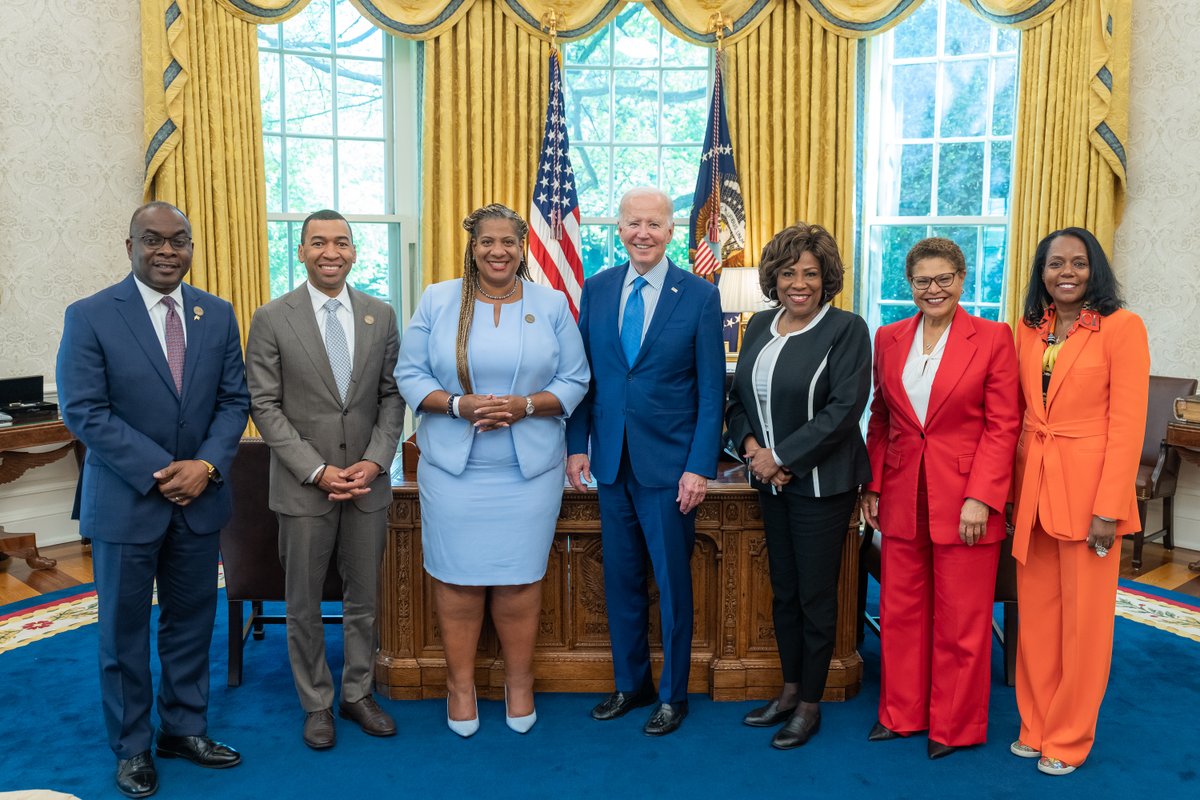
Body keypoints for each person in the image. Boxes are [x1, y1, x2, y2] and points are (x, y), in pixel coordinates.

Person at [56, 202, 249, 798]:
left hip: (200, 500)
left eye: (179, 240)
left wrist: (205, 466)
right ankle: (133, 745)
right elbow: (84, 410)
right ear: (130, 246)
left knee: (192, 622)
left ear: (191, 247)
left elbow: (233, 401)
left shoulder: (216, 313)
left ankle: (183, 730)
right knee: (123, 633)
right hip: (127, 501)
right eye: (153, 239)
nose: (167, 250)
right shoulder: (90, 315)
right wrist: (165, 471)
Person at [395, 203, 589, 737]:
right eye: (487, 241)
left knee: (519, 580)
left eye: (508, 241)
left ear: (522, 247)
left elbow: (576, 379)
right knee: (457, 580)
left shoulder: (550, 304)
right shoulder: (439, 300)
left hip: (529, 472)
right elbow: (409, 374)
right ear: (472, 246)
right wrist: (458, 405)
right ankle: (460, 687)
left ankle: (519, 683)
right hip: (453, 471)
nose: (497, 251)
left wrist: (525, 406)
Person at [566, 187, 725, 737]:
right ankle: (630, 684)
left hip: (670, 468)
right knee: (621, 580)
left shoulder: (700, 295)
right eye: (633, 223)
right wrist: (578, 445)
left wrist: (699, 466)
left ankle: (672, 695)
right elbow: (585, 377)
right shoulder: (597, 288)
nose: (643, 233)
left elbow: (711, 392)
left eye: (654, 224)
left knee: (673, 585)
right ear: (619, 229)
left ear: (671, 231)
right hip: (610, 463)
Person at [245, 209, 405, 750]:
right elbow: (264, 404)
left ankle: (357, 693)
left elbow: (391, 395)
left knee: (365, 600)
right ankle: (316, 702)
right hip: (303, 487)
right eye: (318, 242)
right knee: (304, 604)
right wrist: (315, 470)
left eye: (340, 242)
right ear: (302, 251)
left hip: (366, 484)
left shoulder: (380, 315)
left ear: (354, 251)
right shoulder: (272, 317)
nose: (330, 252)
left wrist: (376, 461)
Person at [859, 237, 1020, 759]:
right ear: (910, 285)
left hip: (966, 499)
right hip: (902, 492)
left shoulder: (993, 338)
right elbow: (881, 418)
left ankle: (955, 725)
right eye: (922, 281)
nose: (934, 289)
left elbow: (1003, 426)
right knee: (900, 611)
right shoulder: (888, 337)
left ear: (962, 279)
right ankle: (901, 713)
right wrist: (873, 485)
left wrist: (983, 498)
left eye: (944, 279)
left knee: (961, 619)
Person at [724, 222, 871, 749]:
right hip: (771, 483)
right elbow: (737, 398)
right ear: (774, 278)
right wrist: (753, 452)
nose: (799, 283)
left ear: (826, 277)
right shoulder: (761, 324)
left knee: (815, 596)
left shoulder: (847, 328)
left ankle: (811, 703)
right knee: (784, 592)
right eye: (788, 273)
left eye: (810, 273)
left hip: (822, 487)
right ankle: (788, 691)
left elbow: (844, 409)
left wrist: (781, 457)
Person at [1008, 228, 1149, 776]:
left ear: (1095, 271)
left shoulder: (1122, 328)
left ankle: (1067, 738)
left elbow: (1127, 426)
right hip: (1033, 490)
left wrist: (1109, 508)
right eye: (1055, 263)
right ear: (1041, 272)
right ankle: (1035, 725)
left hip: (1091, 496)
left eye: (1078, 263)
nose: (1066, 272)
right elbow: (1019, 414)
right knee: (1037, 622)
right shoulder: (1029, 328)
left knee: (1084, 627)